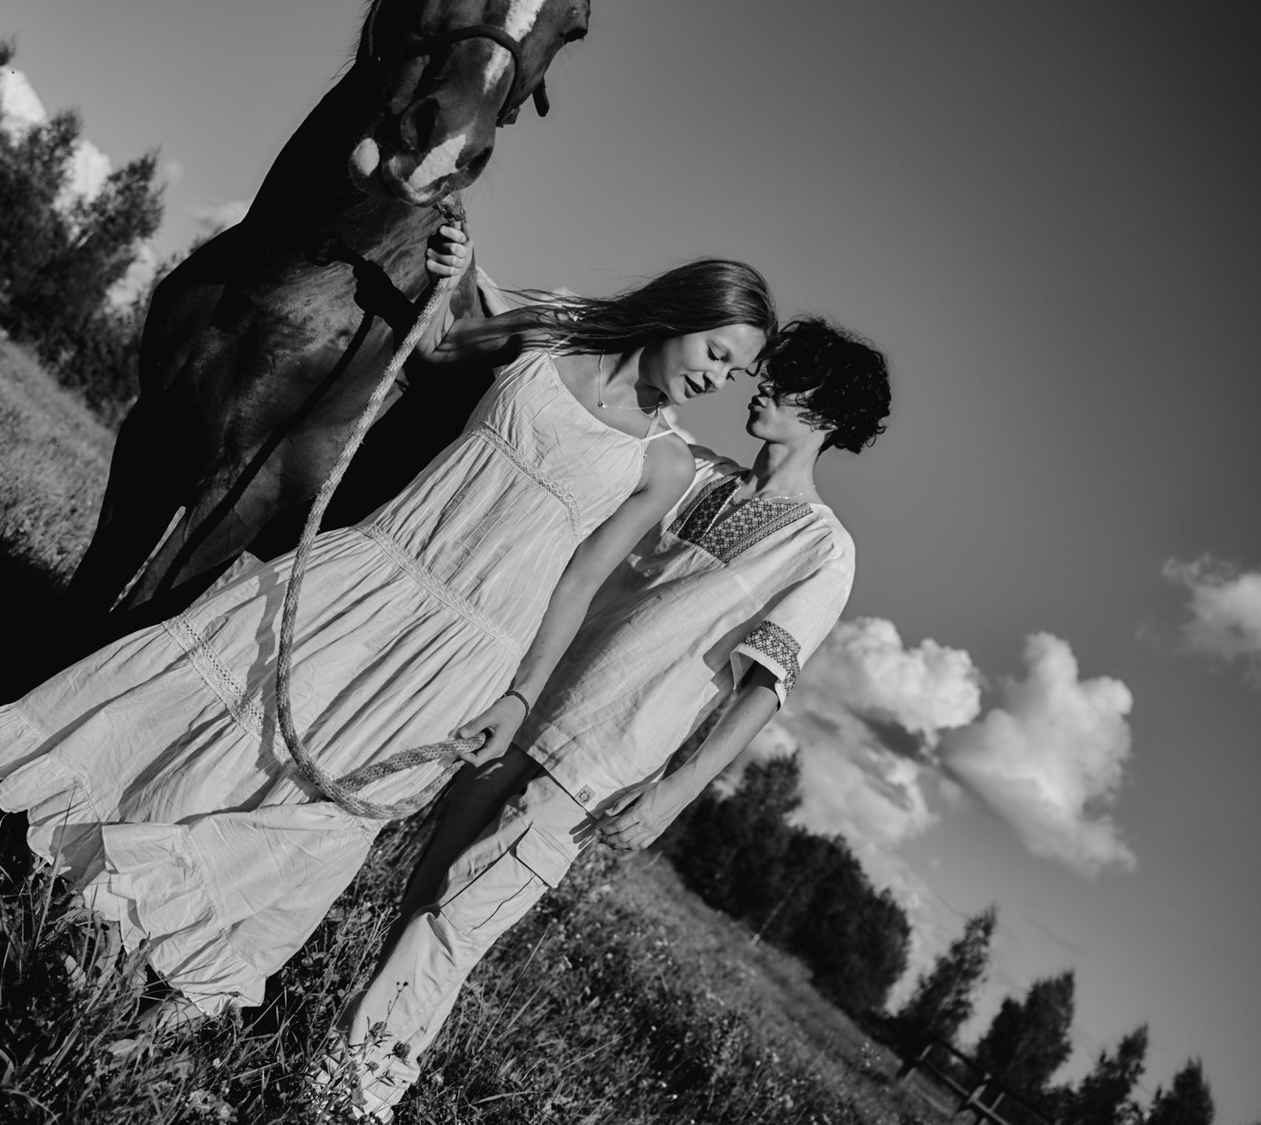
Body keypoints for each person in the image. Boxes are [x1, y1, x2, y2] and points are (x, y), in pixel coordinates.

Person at [0, 222, 775, 1026]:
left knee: (330, 795)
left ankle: (144, 934)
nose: (719, 381)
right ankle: (76, 848)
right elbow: (441, 350)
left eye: (735, 373)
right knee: (241, 698)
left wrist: (520, 697)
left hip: (467, 648)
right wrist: (455, 273)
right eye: (717, 354)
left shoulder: (661, 463)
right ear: (681, 313)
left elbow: (581, 582)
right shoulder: (547, 336)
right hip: (380, 562)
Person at [332, 316, 891, 1118]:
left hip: (601, 760)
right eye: (770, 370)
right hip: (523, 708)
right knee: (422, 894)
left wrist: (674, 795)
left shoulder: (822, 550)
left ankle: (354, 1097)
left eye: (791, 381)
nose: (763, 385)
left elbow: (762, 689)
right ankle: (341, 1053)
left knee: (459, 918)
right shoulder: (692, 469)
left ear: (829, 415)